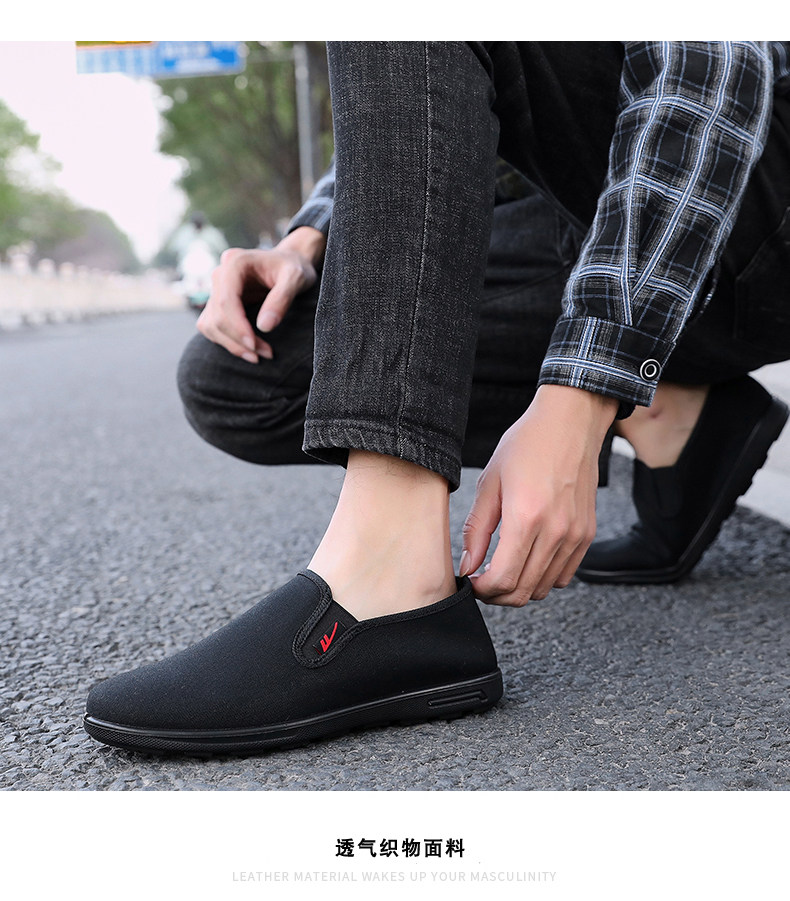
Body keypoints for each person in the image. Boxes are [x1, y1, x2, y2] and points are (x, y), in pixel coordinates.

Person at [84, 42, 790, 756]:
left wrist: (584, 391)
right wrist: (308, 236)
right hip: (588, 206)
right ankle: (671, 412)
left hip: (743, 187)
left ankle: (389, 576)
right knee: (239, 374)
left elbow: (716, 67)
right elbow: (424, 96)